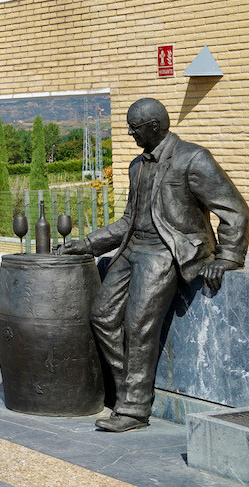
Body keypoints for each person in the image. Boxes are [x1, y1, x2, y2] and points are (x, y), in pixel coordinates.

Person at [58, 98, 248, 431]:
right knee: (101, 317)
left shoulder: (193, 158)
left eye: (135, 128)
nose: (130, 134)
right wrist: (85, 244)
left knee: (139, 325)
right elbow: (128, 220)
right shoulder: (136, 165)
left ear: (154, 127)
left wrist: (229, 256)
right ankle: (128, 390)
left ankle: (134, 409)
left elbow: (235, 210)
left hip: (166, 253)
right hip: (132, 250)